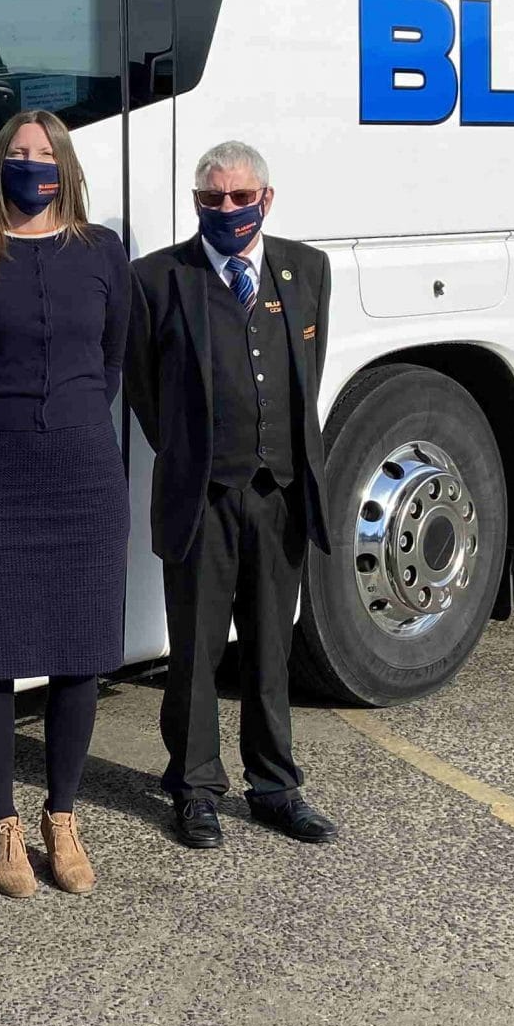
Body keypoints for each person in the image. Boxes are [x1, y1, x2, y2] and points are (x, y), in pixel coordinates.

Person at [0, 112, 131, 897]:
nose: (31, 166)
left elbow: (113, 358)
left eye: (45, 155)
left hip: (83, 472)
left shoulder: (104, 252)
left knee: (81, 652)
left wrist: (73, 415)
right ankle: (2, 823)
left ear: (67, 168)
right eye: (16, 154)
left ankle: (63, 817)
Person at [127, 140, 339, 850]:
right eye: (213, 198)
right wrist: (195, 455)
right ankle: (194, 789)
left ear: (265, 200)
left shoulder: (306, 270)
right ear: (197, 203)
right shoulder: (157, 279)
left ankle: (276, 786)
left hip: (279, 492)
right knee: (193, 652)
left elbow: (306, 367)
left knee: (271, 649)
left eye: (241, 197)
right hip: (201, 497)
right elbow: (145, 392)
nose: (228, 209)